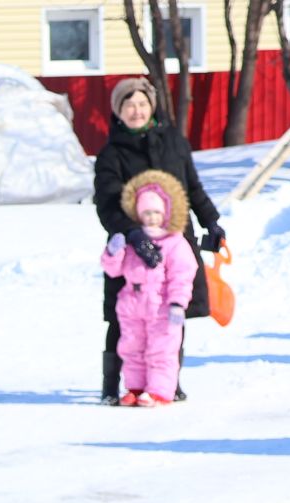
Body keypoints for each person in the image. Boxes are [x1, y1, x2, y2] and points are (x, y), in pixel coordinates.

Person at [93, 77, 223, 405]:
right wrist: (131, 233)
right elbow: (106, 201)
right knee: (123, 315)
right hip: (130, 247)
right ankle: (112, 386)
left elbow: (192, 186)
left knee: (173, 312)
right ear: (118, 111)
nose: (136, 111)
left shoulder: (174, 142)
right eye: (128, 105)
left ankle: (168, 383)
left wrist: (212, 221)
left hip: (175, 241)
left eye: (141, 103)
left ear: (152, 106)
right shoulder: (111, 153)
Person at [100, 170, 197, 407]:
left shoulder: (174, 242)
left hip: (161, 306)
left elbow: (182, 275)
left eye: (156, 212)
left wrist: (177, 303)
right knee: (132, 348)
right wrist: (113, 251)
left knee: (161, 349)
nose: (152, 218)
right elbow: (114, 270)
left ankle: (160, 390)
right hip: (132, 304)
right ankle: (136, 387)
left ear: (164, 213)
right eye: (146, 213)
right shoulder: (135, 241)